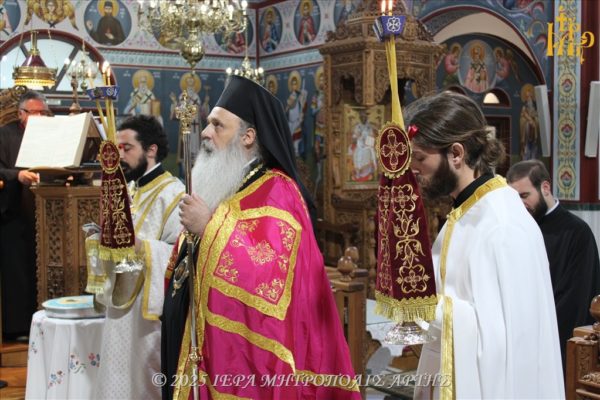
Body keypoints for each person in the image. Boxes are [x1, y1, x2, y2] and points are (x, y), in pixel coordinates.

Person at [161, 76, 358, 400]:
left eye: (217, 125)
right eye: (209, 124)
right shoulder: (229, 182)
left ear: (248, 136)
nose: (206, 132)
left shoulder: (278, 190)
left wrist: (208, 226)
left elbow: (268, 276)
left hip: (250, 363)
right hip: (203, 344)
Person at [406, 91, 563, 398]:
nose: (413, 168)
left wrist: (424, 306)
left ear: (456, 154)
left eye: (420, 158)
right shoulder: (465, 212)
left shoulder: (502, 225)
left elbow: (509, 347)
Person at [88, 115, 184, 399]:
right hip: (120, 302)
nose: (120, 156)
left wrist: (141, 246)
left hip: (148, 311)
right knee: (117, 375)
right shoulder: (128, 188)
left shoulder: (174, 193)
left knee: (144, 379)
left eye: (127, 148)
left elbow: (180, 255)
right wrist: (99, 237)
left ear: (151, 150)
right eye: (117, 148)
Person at [507, 159, 600, 377]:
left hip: (557, 343)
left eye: (524, 195)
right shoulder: (515, 230)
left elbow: (575, 299)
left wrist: (536, 332)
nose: (520, 204)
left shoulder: (577, 232)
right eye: (514, 198)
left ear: (545, 188)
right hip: (520, 341)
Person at [0, 91, 49, 342]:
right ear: (21, 114)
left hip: (48, 212)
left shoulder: (51, 135)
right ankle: (18, 326)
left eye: (43, 112)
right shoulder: (5, 134)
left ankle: (45, 317)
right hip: (14, 212)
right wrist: (17, 175)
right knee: (17, 269)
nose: (39, 117)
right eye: (34, 112)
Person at [350, 109, 377, 182]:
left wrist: (368, 142)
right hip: (359, 145)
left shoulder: (369, 127)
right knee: (357, 153)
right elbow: (354, 138)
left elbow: (372, 137)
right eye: (362, 117)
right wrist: (357, 136)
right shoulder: (357, 127)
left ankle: (368, 174)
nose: (363, 118)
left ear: (366, 118)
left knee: (369, 153)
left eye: (364, 117)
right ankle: (358, 173)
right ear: (360, 118)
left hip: (367, 146)